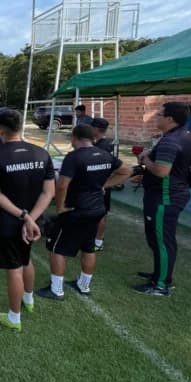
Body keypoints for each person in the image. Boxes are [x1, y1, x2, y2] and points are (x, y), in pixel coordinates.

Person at [37, 125, 132, 300]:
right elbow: (126, 171)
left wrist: (60, 207)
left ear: (75, 137)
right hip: (97, 209)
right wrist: (103, 185)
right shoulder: (104, 154)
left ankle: (56, 289)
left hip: (76, 210)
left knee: (57, 248)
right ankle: (84, 285)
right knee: (88, 248)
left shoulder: (73, 157)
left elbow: (62, 185)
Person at [0, 111, 55, 332]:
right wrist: (31, 219)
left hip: (8, 221)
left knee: (14, 268)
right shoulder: (42, 153)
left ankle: (14, 317)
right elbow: (48, 192)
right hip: (31, 222)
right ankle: (29, 299)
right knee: (26, 259)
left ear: (0, 129)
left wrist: (24, 217)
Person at [134, 102, 191, 296]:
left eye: (159, 114)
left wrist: (145, 160)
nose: (156, 117)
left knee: (162, 241)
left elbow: (161, 171)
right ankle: (159, 274)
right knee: (157, 238)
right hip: (165, 194)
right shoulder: (178, 135)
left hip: (165, 198)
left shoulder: (171, 140)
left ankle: (161, 285)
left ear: (169, 119)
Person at [91, 118, 114, 252]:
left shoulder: (102, 147)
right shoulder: (105, 144)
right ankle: (95, 239)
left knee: (100, 214)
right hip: (101, 184)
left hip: (100, 185)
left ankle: (98, 242)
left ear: (95, 129)